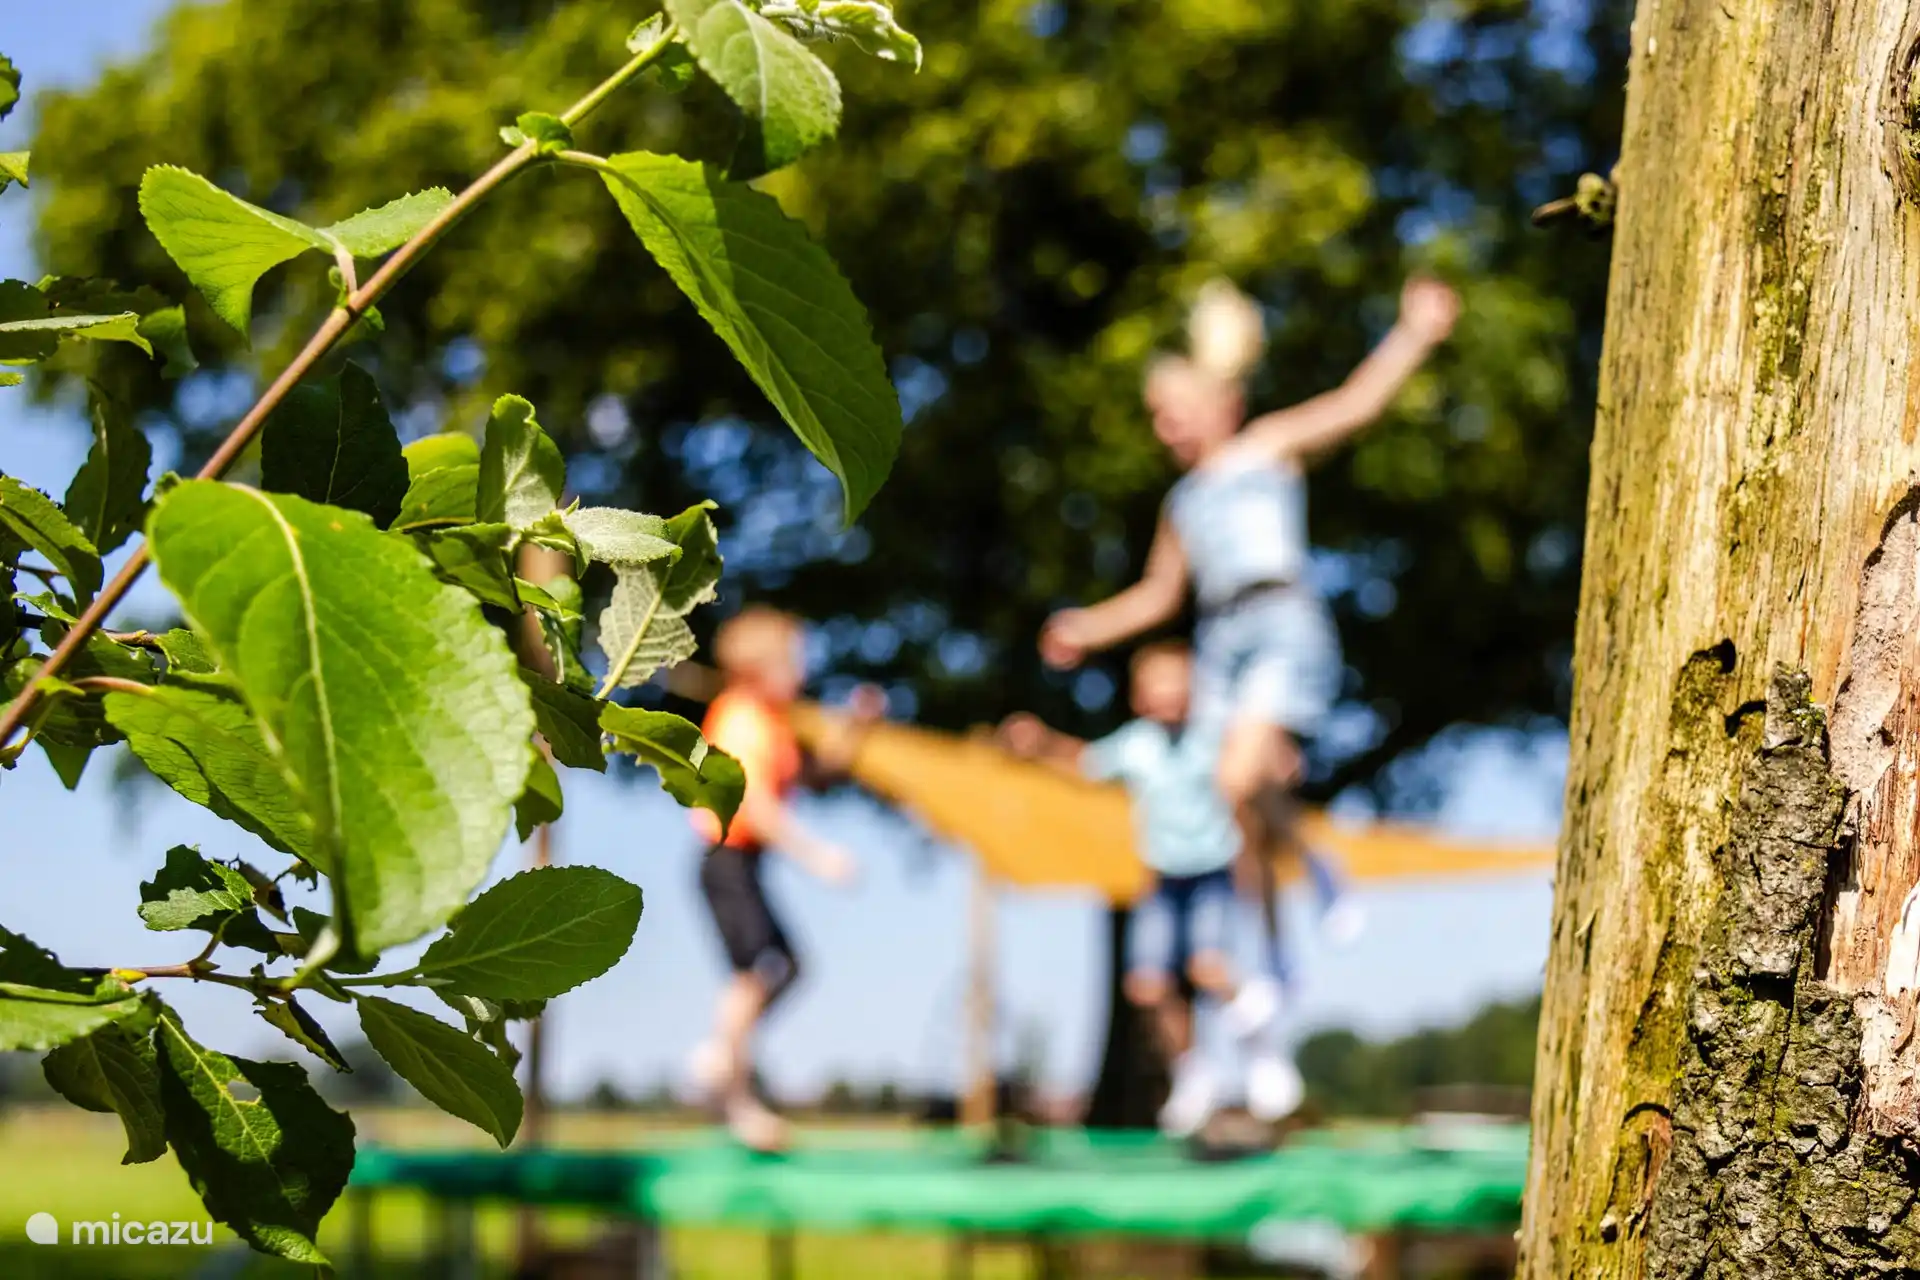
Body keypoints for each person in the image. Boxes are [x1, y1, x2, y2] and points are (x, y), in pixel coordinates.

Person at [1038, 276, 1461, 865]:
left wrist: (1414, 334)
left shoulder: (1266, 446)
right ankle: (1275, 935)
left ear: (1222, 404)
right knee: (1226, 794)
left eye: (1176, 413)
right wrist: (1086, 629)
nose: (1166, 429)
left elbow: (1353, 405)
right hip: (1220, 639)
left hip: (1278, 619)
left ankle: (1306, 849)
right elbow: (1158, 595)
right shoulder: (1181, 502)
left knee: (1238, 778)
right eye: (1158, 418)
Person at [1000, 641, 1299, 1135]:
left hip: (1212, 874)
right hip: (1161, 879)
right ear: (1140, 697)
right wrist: (1041, 745)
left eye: (1178, 685)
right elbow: (1084, 763)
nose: (1169, 696)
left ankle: (1262, 1046)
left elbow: (1256, 749)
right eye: (1158, 686)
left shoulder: (1212, 734)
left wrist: (1278, 760)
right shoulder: (1135, 745)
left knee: (1207, 968)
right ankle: (1192, 1071)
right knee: (1145, 985)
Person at [686, 606, 881, 1151]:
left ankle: (727, 1060)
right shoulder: (741, 718)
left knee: (786, 967)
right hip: (726, 858)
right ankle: (726, 1074)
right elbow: (758, 806)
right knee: (754, 971)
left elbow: (816, 776)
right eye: (792, 664)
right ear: (757, 669)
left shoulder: (773, 722)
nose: (801, 675)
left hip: (746, 864)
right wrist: (818, 856)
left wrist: (855, 728)